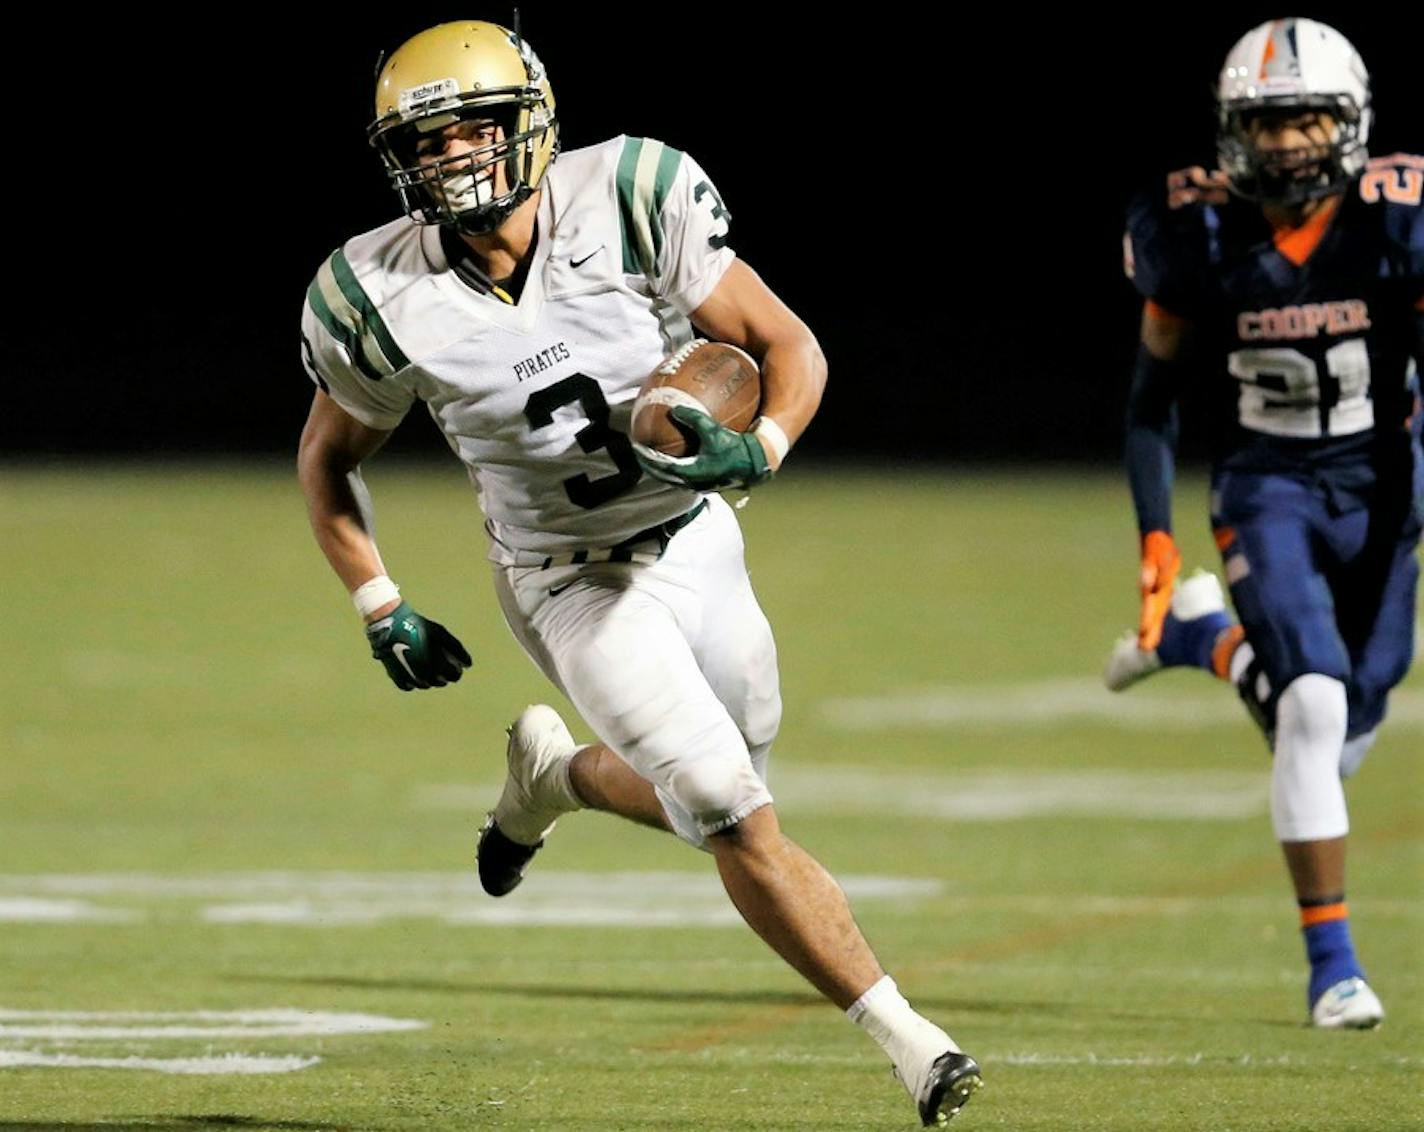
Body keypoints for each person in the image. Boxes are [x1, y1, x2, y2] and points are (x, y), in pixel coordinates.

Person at [296, 20, 982, 1125]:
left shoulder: (626, 190)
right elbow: (327, 460)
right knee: (725, 806)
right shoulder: (371, 290)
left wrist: (757, 449)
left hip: (698, 535)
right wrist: (379, 600)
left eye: (473, 127)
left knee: (724, 782)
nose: (452, 159)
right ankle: (911, 1040)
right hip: (570, 580)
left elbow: (785, 342)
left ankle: (553, 779)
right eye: (424, 144)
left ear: (530, 124)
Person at [1104, 17, 1422, 1029]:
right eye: (1264, 120)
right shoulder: (1189, 227)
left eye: (1304, 117)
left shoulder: (1397, 219)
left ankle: (1205, 639)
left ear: (1348, 120)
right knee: (1314, 708)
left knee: (1345, 730)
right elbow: (1152, 402)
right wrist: (1155, 535)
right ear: (1231, 130)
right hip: (1265, 485)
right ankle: (1331, 964)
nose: (1284, 141)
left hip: (1381, 479)